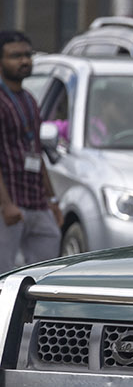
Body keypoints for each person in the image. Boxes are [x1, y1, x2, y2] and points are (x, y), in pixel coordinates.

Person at [0, 30, 61, 272]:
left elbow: (36, 150)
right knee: (4, 274)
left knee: (46, 270)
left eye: (27, 55)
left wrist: (52, 200)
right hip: (9, 203)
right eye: (15, 56)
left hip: (36, 201)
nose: (24, 61)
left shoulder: (29, 99)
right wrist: (6, 204)